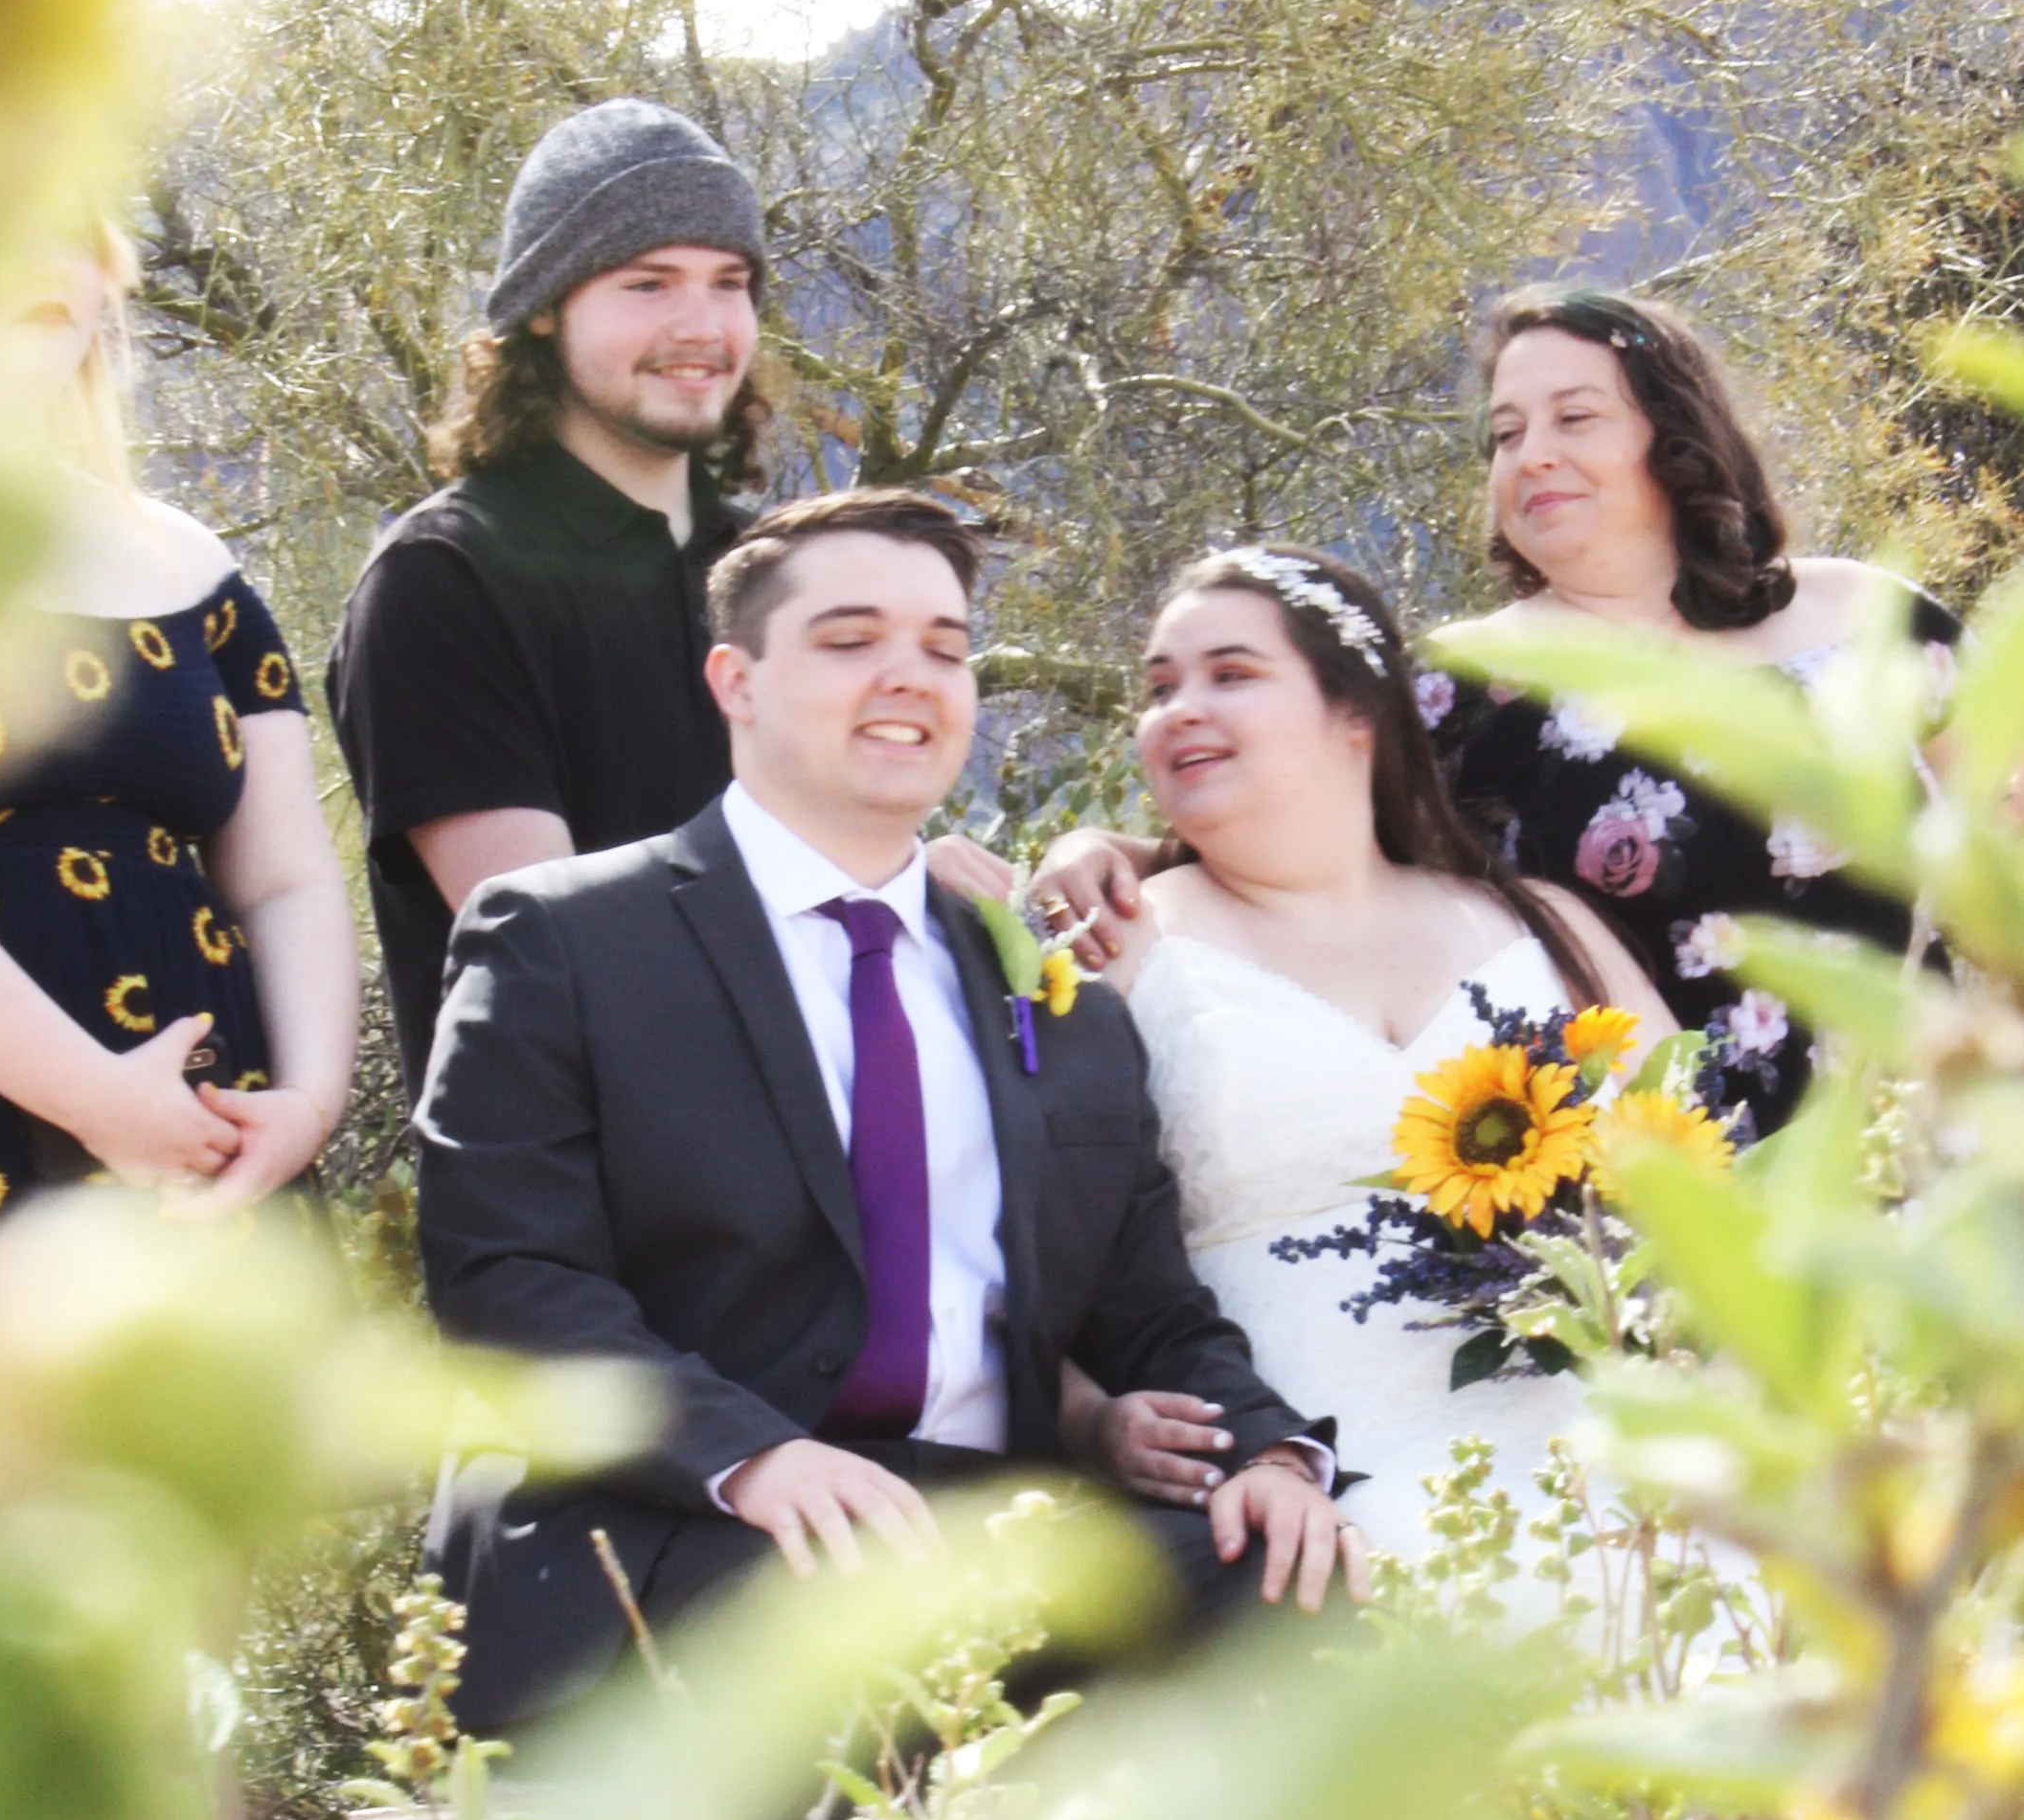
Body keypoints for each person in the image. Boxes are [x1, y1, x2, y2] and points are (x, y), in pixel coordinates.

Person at [414, 492, 1362, 1733]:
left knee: (1288, 1583)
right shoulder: (563, 936)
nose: (906, 678)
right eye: (851, 640)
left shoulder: (1053, 992)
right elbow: (509, 1277)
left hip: (983, 1519)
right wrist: (755, 1456)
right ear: (736, 681)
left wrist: (1272, 1454)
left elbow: (1153, 1312)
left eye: (944, 646)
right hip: (681, 1516)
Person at [1035, 293, 1960, 1136]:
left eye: (1575, 418)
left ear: (1675, 434)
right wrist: (1104, 854)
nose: (1534, 454)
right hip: (1690, 1209)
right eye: (1506, 434)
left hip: (1946, 1146)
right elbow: (1300, 858)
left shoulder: (1869, 618)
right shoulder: (1462, 688)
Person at [329, 98, 1011, 1114]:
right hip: (590, 1212)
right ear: (545, 307)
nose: (700, 326)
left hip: (843, 1160)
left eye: (728, 284)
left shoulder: (778, 570)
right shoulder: (442, 580)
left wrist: (933, 891)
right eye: (647, 283)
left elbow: (845, 864)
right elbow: (559, 952)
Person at [1071, 545, 1668, 1564]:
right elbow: (1014, 1260)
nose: (1178, 709)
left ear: (1359, 712)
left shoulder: (1539, 924)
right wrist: (1090, 1419)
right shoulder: (1109, 944)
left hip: (1617, 1459)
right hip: (1298, 1489)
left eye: (1232, 674)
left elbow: (1698, 1170)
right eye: (1159, 687)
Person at [0, 234, 359, 1226]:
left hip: (211, 1148)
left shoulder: (193, 566)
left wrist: (306, 1103)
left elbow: (285, 878)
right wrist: (94, 1098)